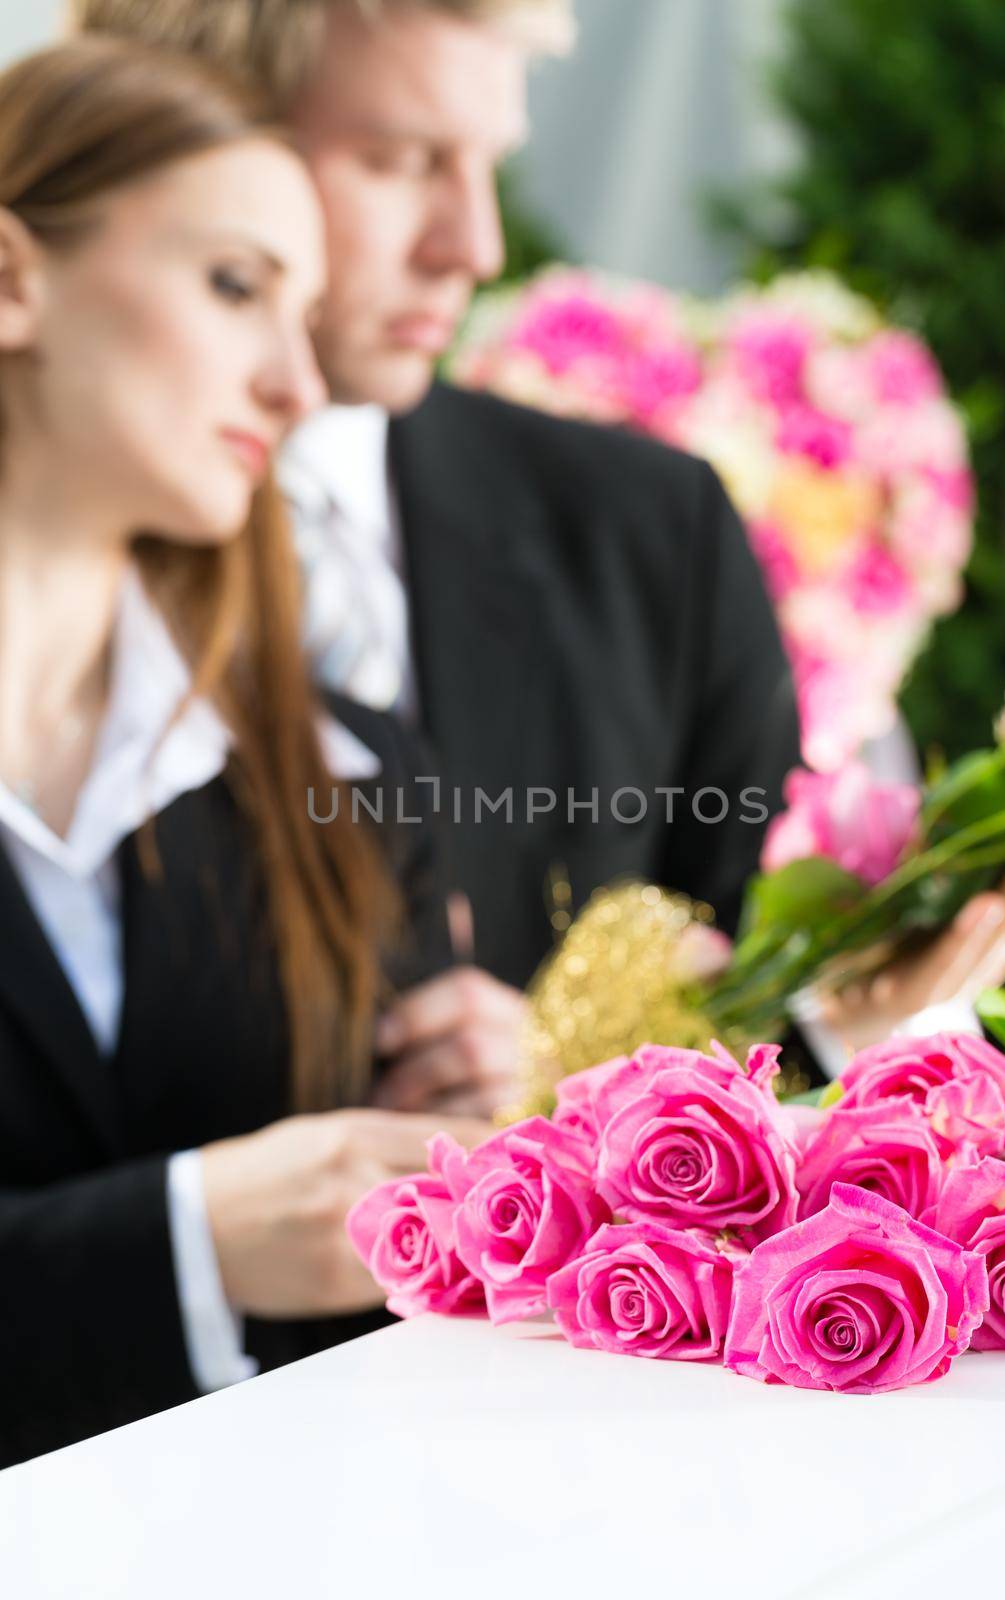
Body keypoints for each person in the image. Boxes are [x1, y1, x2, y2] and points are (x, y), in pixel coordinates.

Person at [73, 0, 1005, 1110]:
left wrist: (596, 1079)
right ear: (186, 134)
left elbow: (776, 1014)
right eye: (401, 163)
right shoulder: (50, 564)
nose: (474, 244)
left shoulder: (648, 528)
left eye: (489, 161)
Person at [0, 36, 485, 1469]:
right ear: (14, 277)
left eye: (306, 313)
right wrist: (187, 1241)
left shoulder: (348, 778)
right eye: (234, 287)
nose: (292, 381)